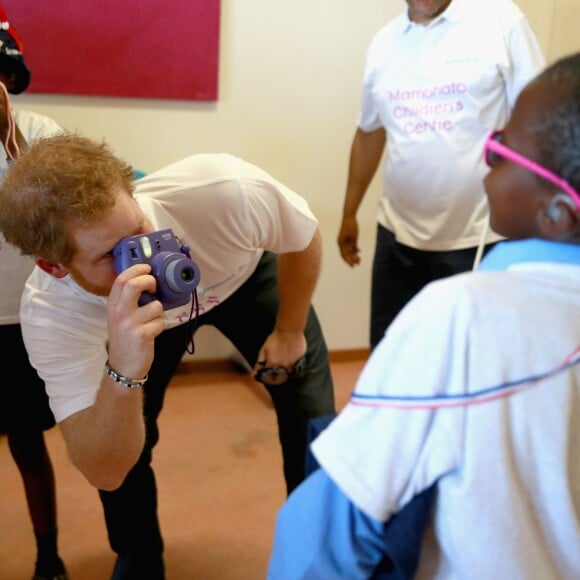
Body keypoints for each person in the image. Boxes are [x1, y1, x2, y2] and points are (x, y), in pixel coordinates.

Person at [268, 52, 580, 579]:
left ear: (558, 212)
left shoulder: (464, 317)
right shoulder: (387, 45)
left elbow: (330, 534)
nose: (487, 158)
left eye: (500, 151)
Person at [0, 132, 336, 579]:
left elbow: (304, 236)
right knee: (124, 433)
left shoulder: (220, 192)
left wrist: (290, 330)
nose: (147, 256)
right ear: (54, 266)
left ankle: (321, 553)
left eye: (138, 229)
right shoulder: (51, 311)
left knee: (310, 416)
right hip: (140, 325)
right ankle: (139, 557)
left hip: (246, 279)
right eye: (111, 254)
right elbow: (104, 469)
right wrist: (123, 370)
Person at [337, 0, 546, 349]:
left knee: (469, 361)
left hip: (479, 237)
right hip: (397, 237)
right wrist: (349, 212)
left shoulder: (500, 20)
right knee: (393, 353)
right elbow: (370, 132)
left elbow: (540, 117)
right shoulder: (385, 42)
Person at [0, 6, 68, 580]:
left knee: (28, 443)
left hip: (23, 319)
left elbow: (58, 216)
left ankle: (48, 557)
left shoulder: (42, 134)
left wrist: (11, 138)